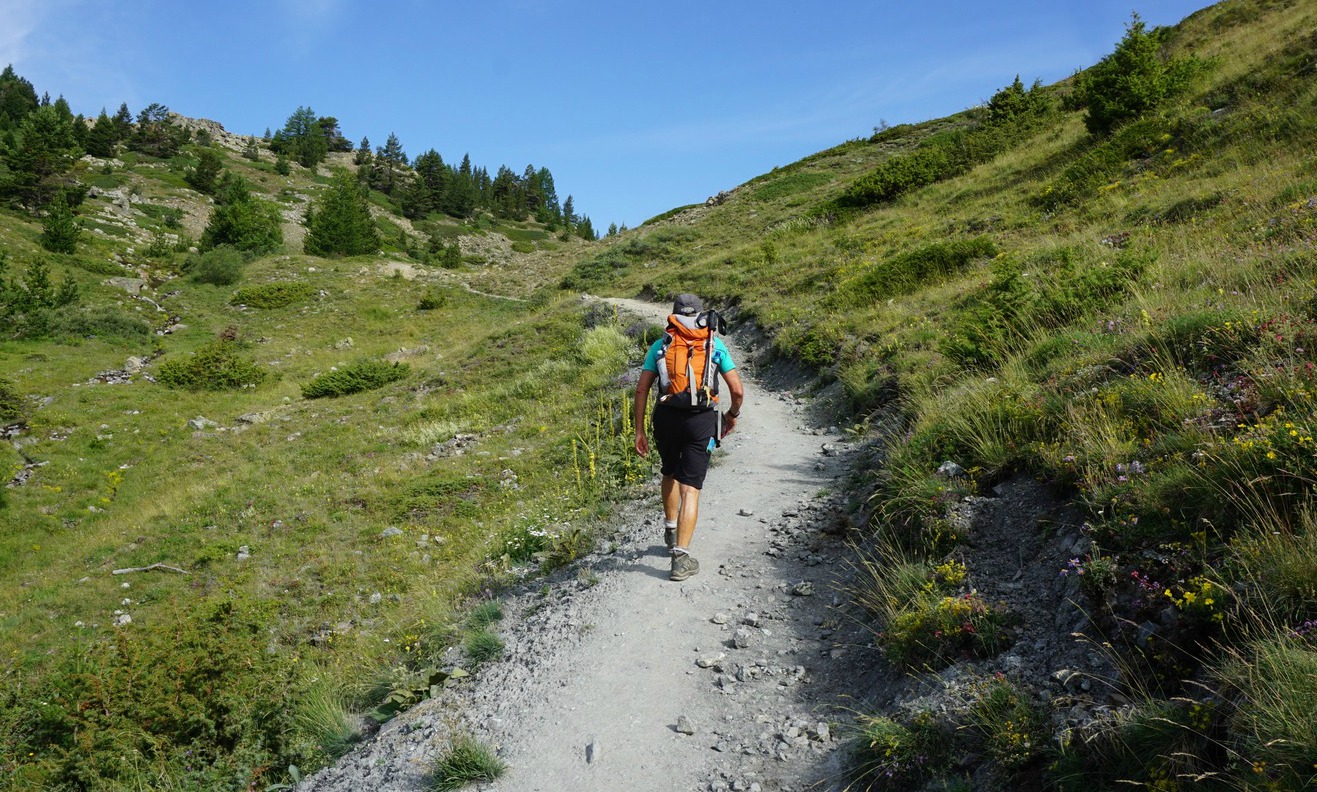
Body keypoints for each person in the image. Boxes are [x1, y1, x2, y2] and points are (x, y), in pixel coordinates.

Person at [633, 293, 744, 581]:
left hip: (666, 418)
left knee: (669, 471)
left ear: (673, 315)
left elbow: (642, 389)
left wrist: (639, 430)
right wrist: (731, 415)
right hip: (702, 421)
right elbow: (738, 390)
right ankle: (680, 558)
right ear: (700, 315)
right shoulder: (713, 345)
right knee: (690, 489)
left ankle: (671, 529)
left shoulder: (660, 346)